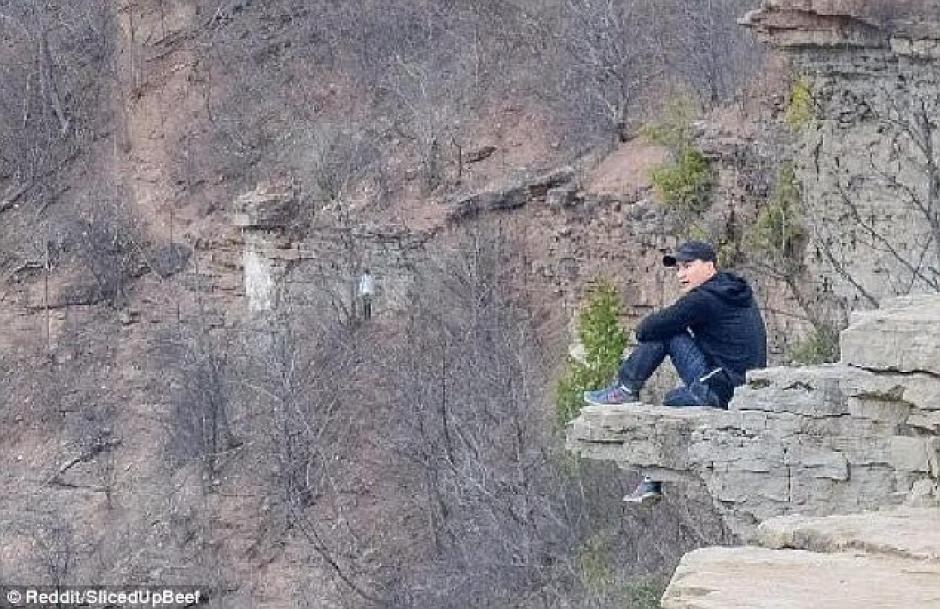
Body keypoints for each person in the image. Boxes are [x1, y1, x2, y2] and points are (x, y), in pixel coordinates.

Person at [582, 241, 767, 503]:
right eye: (678, 268)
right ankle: (650, 482)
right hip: (742, 388)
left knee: (667, 340)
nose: (681, 274)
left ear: (710, 265)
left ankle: (624, 389)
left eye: (688, 266)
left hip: (721, 390)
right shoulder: (734, 290)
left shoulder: (703, 299)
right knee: (674, 399)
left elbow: (645, 330)